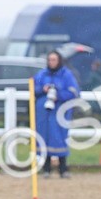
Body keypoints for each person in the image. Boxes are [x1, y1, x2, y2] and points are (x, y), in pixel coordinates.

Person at [33, 50, 81, 178]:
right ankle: (46, 168)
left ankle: (63, 169)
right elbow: (33, 88)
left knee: (59, 138)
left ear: (59, 60)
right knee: (44, 137)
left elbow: (74, 92)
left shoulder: (66, 75)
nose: (51, 62)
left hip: (60, 113)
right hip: (44, 113)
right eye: (49, 60)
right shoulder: (42, 75)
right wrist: (43, 90)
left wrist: (58, 95)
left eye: (54, 60)